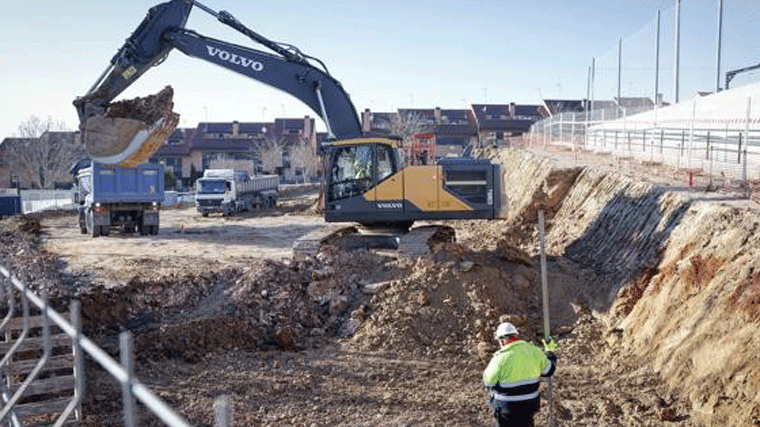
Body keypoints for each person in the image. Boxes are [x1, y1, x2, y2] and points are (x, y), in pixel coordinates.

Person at [483, 322, 557, 427]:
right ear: (516, 336)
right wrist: (550, 352)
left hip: (507, 408)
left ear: (503, 341)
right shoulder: (534, 351)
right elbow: (549, 370)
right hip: (529, 406)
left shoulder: (499, 358)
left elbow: (489, 383)